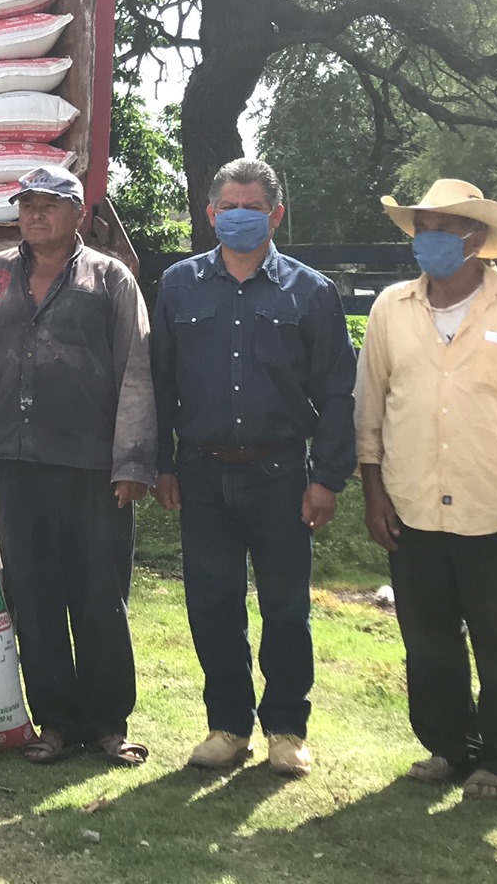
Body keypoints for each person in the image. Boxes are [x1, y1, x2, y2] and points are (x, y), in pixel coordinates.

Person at [152, 157, 356, 777]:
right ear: (211, 214)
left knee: (286, 607)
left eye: (253, 206)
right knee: (213, 603)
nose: (240, 215)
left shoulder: (311, 292)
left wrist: (327, 477)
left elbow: (339, 393)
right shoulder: (178, 286)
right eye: (229, 206)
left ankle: (287, 729)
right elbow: (159, 383)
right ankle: (227, 727)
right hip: (203, 473)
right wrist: (161, 463)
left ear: (276, 215)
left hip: (281, 476)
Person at [353, 179, 497, 799]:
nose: (430, 241)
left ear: (477, 240)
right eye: (423, 229)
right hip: (411, 499)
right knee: (428, 638)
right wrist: (373, 489)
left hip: (493, 502)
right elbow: (371, 403)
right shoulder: (392, 307)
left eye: (444, 229)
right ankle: (448, 745)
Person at [0, 166, 154, 767]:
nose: (36, 214)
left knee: (99, 597)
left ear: (77, 215)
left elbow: (137, 370)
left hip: (92, 467)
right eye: (27, 205)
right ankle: (55, 723)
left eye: (51, 204)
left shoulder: (110, 278)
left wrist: (132, 461)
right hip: (20, 463)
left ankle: (107, 724)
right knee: (34, 597)